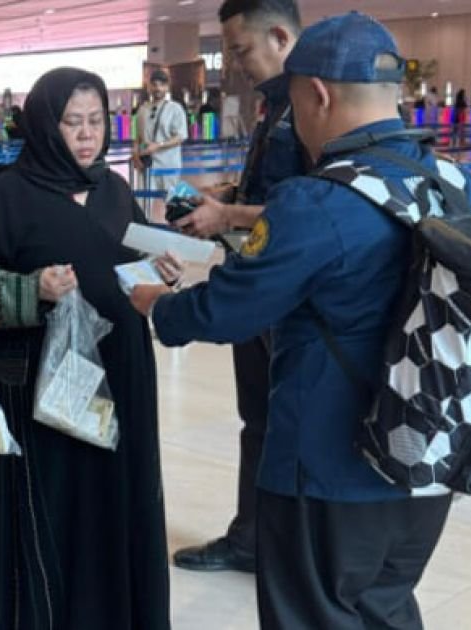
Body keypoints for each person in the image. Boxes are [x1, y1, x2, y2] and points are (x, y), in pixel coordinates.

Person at [131, 13, 471, 629]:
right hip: (430, 461)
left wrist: (158, 305)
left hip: (328, 469)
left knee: (313, 613)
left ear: (317, 95)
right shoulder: (457, 184)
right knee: (385, 607)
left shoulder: (319, 200)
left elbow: (226, 309)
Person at [0, 67, 173, 630]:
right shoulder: (3, 196)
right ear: (46, 125)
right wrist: (31, 290)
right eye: (72, 121)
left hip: (120, 372)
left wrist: (159, 270)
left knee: (115, 500)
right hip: (40, 387)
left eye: (96, 121)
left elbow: (129, 260)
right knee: (53, 508)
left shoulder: (115, 189)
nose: (86, 134)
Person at [168, 0, 308, 574]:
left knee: (290, 423)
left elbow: (310, 208)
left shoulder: (310, 106)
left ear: (279, 36)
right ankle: (252, 538)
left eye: (241, 49)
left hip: (292, 295)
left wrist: (228, 219)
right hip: (256, 286)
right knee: (259, 418)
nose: (235, 62)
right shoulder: (274, 106)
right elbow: (275, 189)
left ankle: (289, 551)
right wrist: (229, 196)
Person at [133, 69, 188, 219]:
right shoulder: (142, 110)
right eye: (154, 84)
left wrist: (159, 145)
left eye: (161, 85)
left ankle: (177, 231)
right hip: (148, 164)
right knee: (143, 202)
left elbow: (181, 136)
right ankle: (142, 232)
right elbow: (137, 137)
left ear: (167, 87)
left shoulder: (175, 109)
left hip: (168, 164)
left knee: (172, 203)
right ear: (149, 86)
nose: (157, 88)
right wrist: (135, 154)